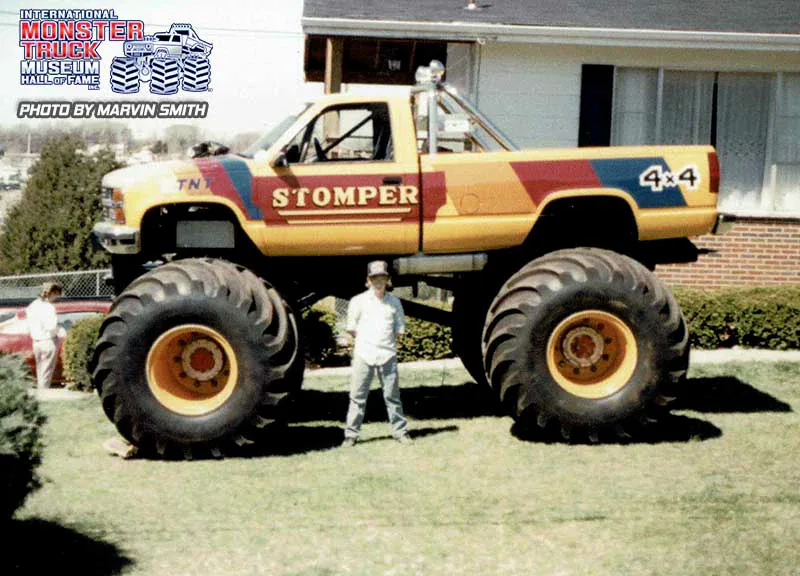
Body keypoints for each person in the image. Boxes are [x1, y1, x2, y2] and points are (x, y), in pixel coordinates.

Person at [342, 260, 412, 447]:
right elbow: (352, 328)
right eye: (375, 278)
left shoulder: (395, 302)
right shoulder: (357, 301)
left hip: (388, 356)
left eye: (382, 278)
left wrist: (384, 344)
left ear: (388, 280)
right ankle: (351, 435)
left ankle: (401, 432)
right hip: (363, 355)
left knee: (392, 397)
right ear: (368, 280)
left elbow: (399, 330)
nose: (379, 282)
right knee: (357, 397)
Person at [26, 281, 64, 389]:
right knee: (46, 373)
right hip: (48, 341)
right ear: (53, 293)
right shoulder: (49, 308)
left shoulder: (33, 305)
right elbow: (52, 326)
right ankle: (43, 393)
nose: (56, 298)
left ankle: (40, 391)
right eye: (56, 295)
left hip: (36, 341)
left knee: (40, 371)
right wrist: (59, 330)